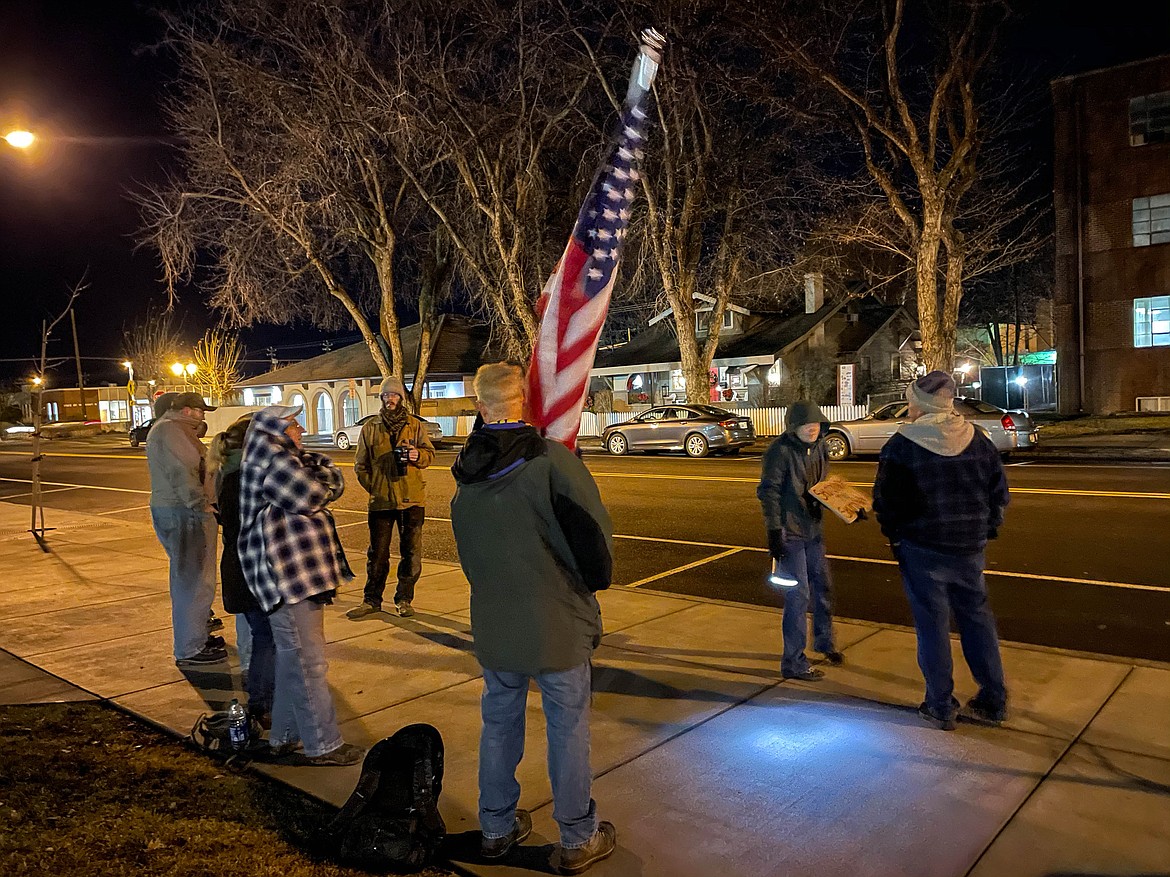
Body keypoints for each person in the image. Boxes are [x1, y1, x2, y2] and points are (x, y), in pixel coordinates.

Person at [450, 362, 617, 875]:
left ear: (480, 408)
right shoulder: (553, 463)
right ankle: (575, 837)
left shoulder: (463, 479)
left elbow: (470, 558)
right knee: (567, 729)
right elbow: (596, 555)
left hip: (496, 623)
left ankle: (497, 828)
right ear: (526, 402)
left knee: (499, 725)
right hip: (556, 623)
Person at [873, 371, 1011, 731]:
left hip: (923, 549)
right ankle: (993, 700)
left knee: (932, 627)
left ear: (919, 403)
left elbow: (887, 503)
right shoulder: (978, 440)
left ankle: (940, 703)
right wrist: (986, 529)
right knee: (977, 621)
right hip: (969, 547)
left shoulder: (903, 445)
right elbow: (998, 493)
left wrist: (896, 537)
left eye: (910, 400)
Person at [238, 405, 363, 766]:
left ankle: (285, 735)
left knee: (296, 660)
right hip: (287, 577)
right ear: (277, 429)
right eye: (294, 423)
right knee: (308, 664)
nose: (301, 427)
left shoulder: (282, 456)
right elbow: (312, 496)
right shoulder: (271, 457)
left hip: (300, 575)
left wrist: (314, 473)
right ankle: (323, 745)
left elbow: (332, 480)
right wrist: (316, 478)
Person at [757, 401, 845, 681]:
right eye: (806, 424)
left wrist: (848, 505)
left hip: (813, 531)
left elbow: (824, 485)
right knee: (799, 596)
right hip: (791, 533)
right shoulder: (779, 452)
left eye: (816, 423)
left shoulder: (819, 447)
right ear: (793, 427)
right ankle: (793, 662)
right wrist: (774, 531)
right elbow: (768, 492)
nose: (812, 428)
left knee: (824, 587)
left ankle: (824, 642)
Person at [146, 391, 225, 667]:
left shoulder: (174, 430)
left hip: (181, 511)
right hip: (185, 514)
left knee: (193, 579)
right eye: (200, 410)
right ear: (188, 411)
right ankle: (191, 647)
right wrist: (201, 504)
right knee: (193, 581)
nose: (203, 415)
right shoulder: (171, 432)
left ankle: (196, 636)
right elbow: (184, 471)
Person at [347, 376, 435, 619]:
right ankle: (371, 600)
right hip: (381, 502)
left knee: (411, 554)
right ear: (381, 398)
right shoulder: (370, 428)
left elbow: (430, 454)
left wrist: (418, 455)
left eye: (394, 395)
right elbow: (360, 465)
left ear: (401, 398)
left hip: (412, 500)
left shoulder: (415, 426)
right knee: (378, 554)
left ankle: (404, 599)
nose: (390, 399)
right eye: (386, 395)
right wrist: (375, 488)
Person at [208, 415, 273, 728]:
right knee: (267, 638)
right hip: (251, 572)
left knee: (264, 636)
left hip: (243, 570)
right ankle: (262, 704)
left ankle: (262, 701)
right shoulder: (241, 480)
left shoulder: (232, 473)